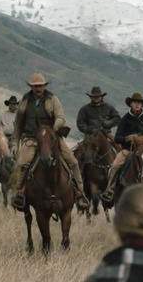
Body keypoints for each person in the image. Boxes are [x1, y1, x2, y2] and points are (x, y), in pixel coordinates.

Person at [9, 72, 90, 212]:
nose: (38, 89)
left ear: (44, 86)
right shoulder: (24, 101)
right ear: (31, 87)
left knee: (73, 162)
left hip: (51, 138)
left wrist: (52, 130)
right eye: (35, 86)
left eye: (40, 86)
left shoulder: (52, 99)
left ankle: (80, 194)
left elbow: (60, 117)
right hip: (31, 139)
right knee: (21, 164)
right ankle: (18, 194)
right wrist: (15, 143)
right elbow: (18, 124)